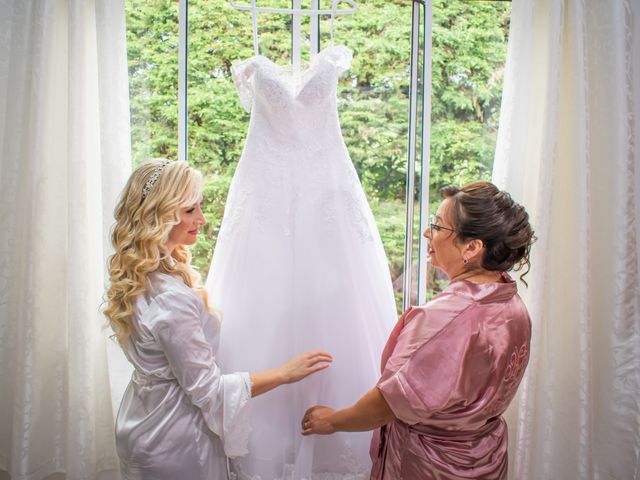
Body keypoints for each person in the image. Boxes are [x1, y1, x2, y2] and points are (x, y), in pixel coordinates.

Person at [104, 159, 332, 480]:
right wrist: (284, 373)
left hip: (141, 418)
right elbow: (209, 391)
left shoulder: (142, 276)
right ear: (158, 214)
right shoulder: (171, 299)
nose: (202, 218)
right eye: (189, 210)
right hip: (173, 437)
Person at [301, 181, 535, 480]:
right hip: (483, 455)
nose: (427, 233)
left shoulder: (448, 318)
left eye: (437, 226)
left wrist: (333, 420)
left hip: (430, 465)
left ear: (472, 247)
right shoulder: (511, 302)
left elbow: (391, 403)